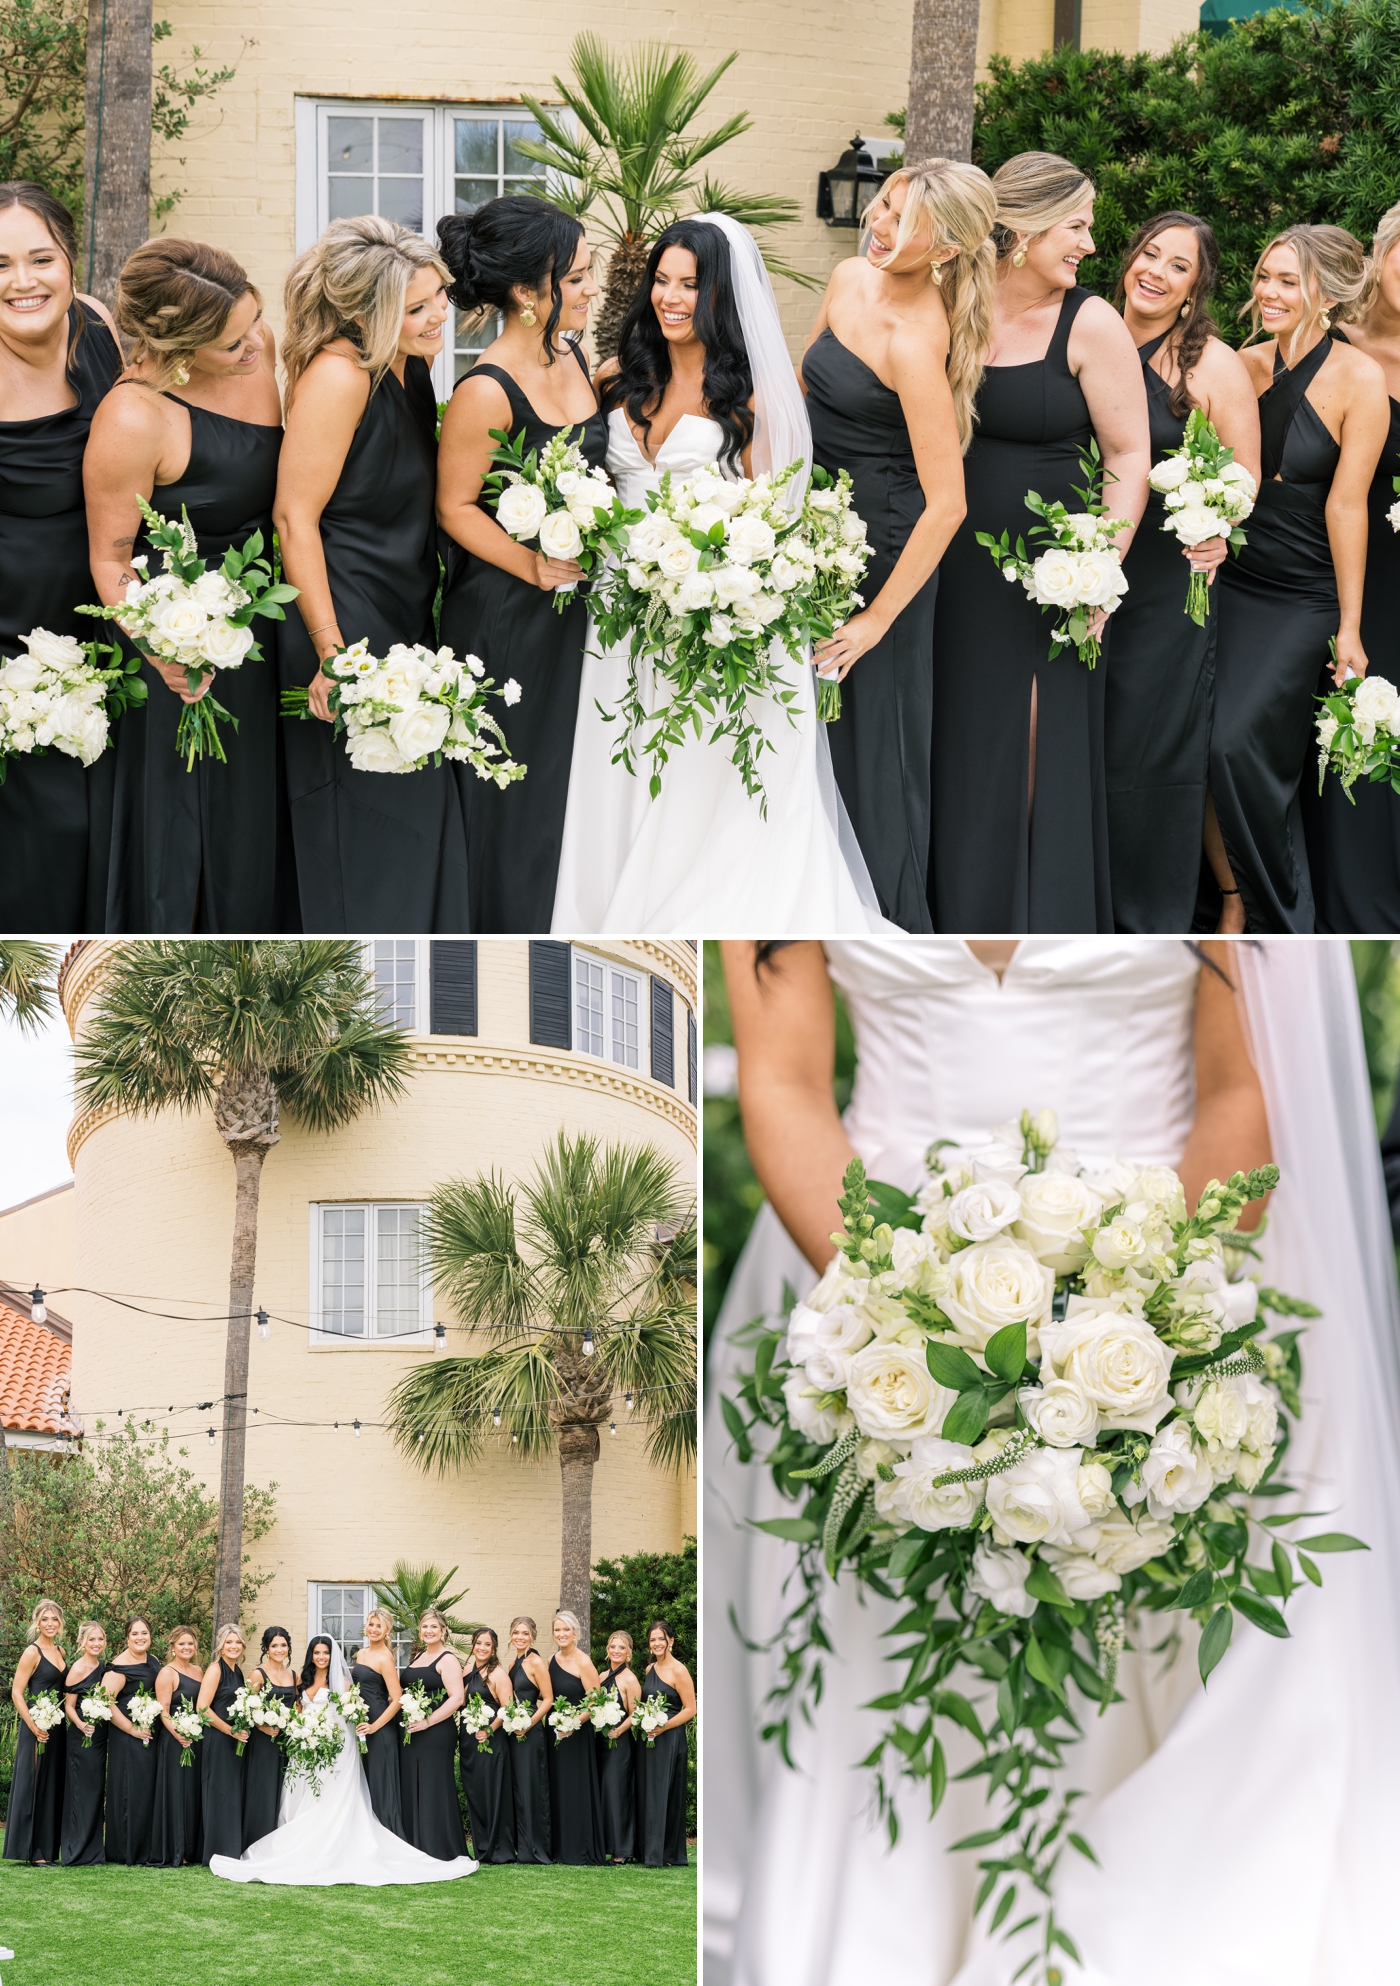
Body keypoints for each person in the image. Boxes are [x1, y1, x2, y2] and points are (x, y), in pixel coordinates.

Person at [705, 936, 1400, 1985]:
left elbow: (1239, 1087)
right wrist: (897, 1322)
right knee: (884, 1658)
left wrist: (1148, 1333)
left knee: (1153, 1638)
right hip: (859, 1255)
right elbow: (785, 1078)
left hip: (1176, 1251)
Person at [551, 212, 890, 935]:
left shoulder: (758, 400)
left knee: (703, 781)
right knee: (625, 766)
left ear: (722, 296)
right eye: (663, 282)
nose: (672, 298)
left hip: (715, 615)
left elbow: (775, 525)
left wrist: (717, 589)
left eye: (690, 284)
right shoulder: (618, 378)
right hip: (617, 613)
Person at [927, 153, 1151, 932]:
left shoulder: (1090, 322)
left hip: (1051, 580)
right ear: (1018, 228)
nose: (1091, 242)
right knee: (956, 742)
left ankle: (1034, 921)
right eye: (1077, 224)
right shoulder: (949, 300)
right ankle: (956, 916)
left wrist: (1098, 573)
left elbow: (1129, 457)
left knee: (1031, 749)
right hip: (948, 571)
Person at [802, 163, 997, 931]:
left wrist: (876, 622)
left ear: (945, 249)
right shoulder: (849, 277)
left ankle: (888, 925)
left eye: (901, 219)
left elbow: (947, 503)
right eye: (884, 204)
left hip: (883, 558)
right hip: (811, 536)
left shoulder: (920, 339)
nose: (878, 223)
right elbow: (803, 384)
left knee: (874, 758)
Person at [84, 236, 295, 932]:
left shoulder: (254, 344)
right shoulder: (132, 417)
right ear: (177, 345)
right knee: (190, 831)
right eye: (231, 342)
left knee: (259, 822)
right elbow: (112, 562)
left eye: (253, 322)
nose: (254, 347)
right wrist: (167, 654)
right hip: (187, 647)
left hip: (269, 625)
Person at [274, 215, 470, 932]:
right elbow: (295, 518)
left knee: (406, 826)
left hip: (403, 613)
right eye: (417, 308)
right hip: (345, 621)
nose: (438, 316)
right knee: (363, 831)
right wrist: (333, 651)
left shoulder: (408, 367)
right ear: (364, 313)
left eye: (439, 298)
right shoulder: (338, 376)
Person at [1206, 225, 1390, 932]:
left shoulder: (1359, 378)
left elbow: (1348, 506)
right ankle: (1229, 898)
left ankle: (1278, 912)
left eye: (1289, 281)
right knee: (1194, 738)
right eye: (1265, 277)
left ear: (1328, 292)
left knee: (1237, 743)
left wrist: (1348, 625)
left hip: (1301, 594)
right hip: (1229, 580)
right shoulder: (1240, 365)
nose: (1269, 292)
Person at [435, 197, 604, 933]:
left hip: (575, 613)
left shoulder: (573, 354)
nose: (593, 287)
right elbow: (455, 507)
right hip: (507, 619)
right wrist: (531, 565)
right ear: (530, 293)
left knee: (566, 786)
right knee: (514, 789)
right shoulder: (484, 389)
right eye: (581, 275)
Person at [1107, 213, 1260, 932]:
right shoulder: (1090, 333)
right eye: (1149, 253)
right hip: (1082, 569)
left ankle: (1149, 917)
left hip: (1168, 583)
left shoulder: (1210, 364)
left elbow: (1247, 474)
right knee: (1086, 741)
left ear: (1194, 290)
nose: (1155, 272)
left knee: (1149, 745)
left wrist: (1220, 531)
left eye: (1177, 267)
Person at [0, 182, 121, 931]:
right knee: (48, 841)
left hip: (107, 627)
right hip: (15, 646)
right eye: (1, 264)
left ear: (71, 260)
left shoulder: (100, 327)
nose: (23, 281)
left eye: (41, 257)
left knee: (111, 837)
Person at [1302, 200, 1400, 932]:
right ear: (1381, 251)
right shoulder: (1330, 342)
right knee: (1357, 747)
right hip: (1352, 579)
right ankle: (1356, 917)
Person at [210, 1634, 476, 1885]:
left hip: (335, 1747)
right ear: (310, 1655)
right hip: (306, 1746)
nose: (321, 1657)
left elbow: (352, 1713)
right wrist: (302, 1729)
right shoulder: (301, 1680)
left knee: (331, 1796)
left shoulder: (344, 1683)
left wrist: (357, 1729)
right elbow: (297, 1709)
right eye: (317, 1652)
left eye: (326, 1652)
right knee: (303, 1795)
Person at [397, 1609, 469, 1859]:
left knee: (432, 1786)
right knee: (413, 1785)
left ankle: (437, 1847)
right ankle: (415, 1844)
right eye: (424, 1626)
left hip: (436, 1732)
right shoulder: (417, 1657)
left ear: (443, 1630)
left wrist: (427, 1722)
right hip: (411, 1733)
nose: (428, 1631)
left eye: (434, 1627)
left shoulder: (447, 1659)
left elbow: (457, 1698)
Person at [5, 1598, 68, 1864]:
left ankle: (47, 1850)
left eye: (54, 1619)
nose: (50, 1624)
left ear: (61, 1622)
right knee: (34, 1783)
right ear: (37, 1622)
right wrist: (33, 1725)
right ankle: (30, 1851)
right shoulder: (32, 1653)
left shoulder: (62, 1652)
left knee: (51, 1784)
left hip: (57, 1726)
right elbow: (17, 1693)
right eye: (45, 1619)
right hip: (36, 1726)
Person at [101, 1614, 160, 1865]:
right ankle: (125, 1850)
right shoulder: (118, 1666)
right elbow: (105, 1702)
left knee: (146, 1791)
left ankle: (146, 1848)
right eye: (134, 1634)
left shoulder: (154, 1661)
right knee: (129, 1790)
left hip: (149, 1735)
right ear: (127, 1637)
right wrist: (131, 1729)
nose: (140, 1638)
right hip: (127, 1738)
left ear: (150, 1636)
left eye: (144, 1633)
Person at [547, 1608, 603, 1864]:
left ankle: (580, 1848)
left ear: (575, 1633)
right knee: (558, 1787)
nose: (561, 1634)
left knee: (576, 1787)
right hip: (556, 1735)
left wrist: (572, 1724)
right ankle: (559, 1847)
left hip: (578, 1736)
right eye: (557, 1630)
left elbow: (595, 1703)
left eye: (566, 1629)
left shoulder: (584, 1661)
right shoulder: (550, 1660)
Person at [638, 1619, 694, 1868]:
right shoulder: (650, 1670)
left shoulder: (679, 1670)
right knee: (650, 1791)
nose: (657, 1643)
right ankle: (649, 1850)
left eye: (662, 1638)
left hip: (669, 1737)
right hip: (650, 1737)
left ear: (671, 1641)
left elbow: (691, 1709)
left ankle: (665, 1854)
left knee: (664, 1792)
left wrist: (664, 1726)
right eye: (653, 1639)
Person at [148, 1625, 204, 1865]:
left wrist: (194, 1732)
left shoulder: (199, 1671)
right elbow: (164, 1711)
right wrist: (179, 1735)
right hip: (174, 1741)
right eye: (181, 1643)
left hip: (196, 1739)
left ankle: (191, 1849)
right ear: (173, 1647)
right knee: (176, 1792)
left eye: (190, 1643)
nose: (186, 1647)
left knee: (192, 1793)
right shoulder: (167, 1673)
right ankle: (175, 1850)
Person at [459, 1626, 515, 1863]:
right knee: (475, 1792)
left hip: (490, 1741)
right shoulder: (467, 1669)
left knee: (492, 1791)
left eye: (487, 1644)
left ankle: (496, 1848)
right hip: (469, 1741)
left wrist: (489, 1730)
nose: (482, 1648)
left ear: (494, 1649)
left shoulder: (498, 1674)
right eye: (478, 1643)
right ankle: (481, 1847)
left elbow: (508, 1708)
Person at [240, 1625, 298, 1848]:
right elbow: (244, 1707)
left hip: (287, 1742)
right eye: (275, 1645)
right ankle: (256, 1842)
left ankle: (279, 1843)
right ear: (266, 1647)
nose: (279, 1649)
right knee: (263, 1790)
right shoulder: (257, 1674)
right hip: (264, 1742)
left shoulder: (294, 1676)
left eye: (283, 1645)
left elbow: (299, 1706)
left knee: (283, 1790)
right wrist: (261, 1726)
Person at [350, 1608, 404, 1838]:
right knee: (368, 1783)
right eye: (370, 1625)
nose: (373, 1629)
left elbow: (398, 1699)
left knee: (382, 1785)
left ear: (387, 1630)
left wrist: (374, 1726)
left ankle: (389, 1837)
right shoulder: (360, 1654)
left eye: (378, 1626)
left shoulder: (385, 1658)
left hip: (380, 1729)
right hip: (362, 1727)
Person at [195, 1622, 246, 1864]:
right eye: (229, 1642)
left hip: (234, 1740)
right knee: (218, 1792)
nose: (233, 1646)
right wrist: (229, 1730)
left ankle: (230, 1847)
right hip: (218, 1738)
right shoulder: (215, 1669)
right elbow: (202, 1709)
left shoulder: (238, 1671)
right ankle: (216, 1851)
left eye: (237, 1642)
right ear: (221, 1646)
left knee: (231, 1793)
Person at [60, 1619, 109, 1866]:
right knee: (82, 1790)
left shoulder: (104, 1668)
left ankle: (93, 1850)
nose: (97, 1643)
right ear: (82, 1641)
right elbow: (68, 1706)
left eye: (100, 1639)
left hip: (99, 1738)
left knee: (96, 1789)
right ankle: (76, 1850)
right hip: (82, 1737)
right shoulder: (78, 1668)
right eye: (92, 1639)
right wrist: (81, 1725)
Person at [506, 1615, 554, 1863]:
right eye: (516, 1632)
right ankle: (522, 1846)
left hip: (531, 1732)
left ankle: (536, 1849)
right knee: (519, 1787)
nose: (520, 1637)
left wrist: (528, 1724)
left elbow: (547, 1699)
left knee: (532, 1787)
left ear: (533, 1636)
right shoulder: (514, 1662)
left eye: (525, 1633)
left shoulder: (535, 1662)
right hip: (515, 1732)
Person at [596, 1628, 640, 1864]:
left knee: (617, 1792)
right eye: (613, 1646)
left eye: (621, 1647)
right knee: (603, 1792)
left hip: (619, 1742)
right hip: (600, 1742)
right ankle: (605, 1844)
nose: (616, 1651)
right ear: (607, 1649)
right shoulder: (601, 1676)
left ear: (628, 1652)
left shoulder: (630, 1679)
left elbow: (635, 1713)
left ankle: (622, 1849)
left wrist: (619, 1730)